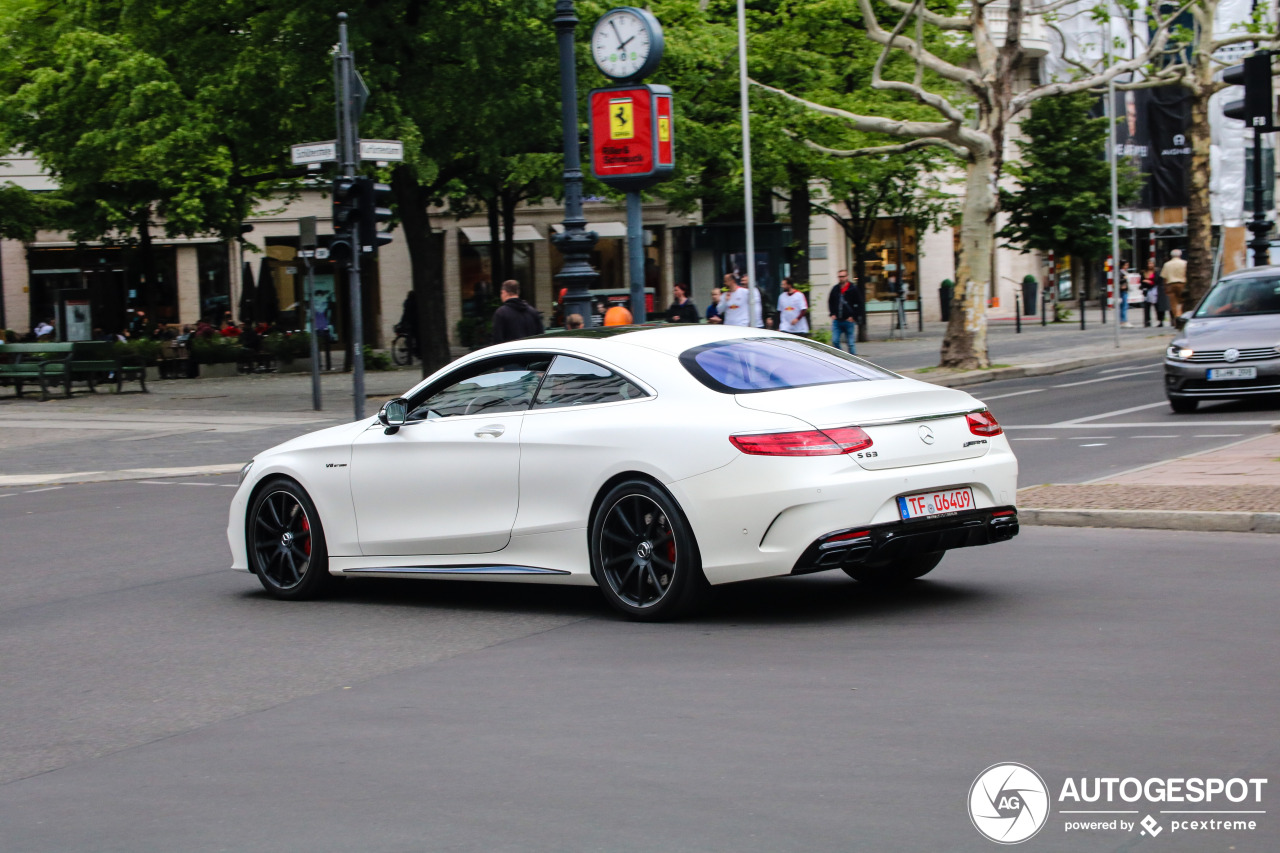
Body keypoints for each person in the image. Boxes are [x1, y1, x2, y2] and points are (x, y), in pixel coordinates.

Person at [491, 279, 543, 344]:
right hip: (531, 352)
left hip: (512, 352)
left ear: (504, 292)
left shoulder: (501, 313)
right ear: (518, 292)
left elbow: (497, 340)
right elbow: (541, 336)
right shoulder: (533, 311)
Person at [827, 269, 864, 354]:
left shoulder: (853, 288)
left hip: (848, 320)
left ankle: (853, 360)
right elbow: (830, 301)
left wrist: (854, 316)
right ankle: (842, 357)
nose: (841, 278)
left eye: (843, 276)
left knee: (851, 343)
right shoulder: (835, 289)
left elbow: (860, 303)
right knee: (835, 341)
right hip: (837, 320)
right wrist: (832, 313)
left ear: (847, 277)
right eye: (839, 276)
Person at [1160, 249, 1187, 317]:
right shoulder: (1184, 263)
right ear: (1180, 255)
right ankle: (1182, 314)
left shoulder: (1167, 264)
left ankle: (1177, 317)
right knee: (1183, 301)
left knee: (1173, 303)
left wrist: (1165, 287)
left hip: (1171, 285)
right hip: (1182, 284)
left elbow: (1164, 277)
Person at [1117, 260, 1131, 327]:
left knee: (1124, 306)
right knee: (1124, 306)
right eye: (1126, 265)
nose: (1127, 266)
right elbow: (1118, 280)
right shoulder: (1120, 273)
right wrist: (1123, 281)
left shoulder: (1124, 272)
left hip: (1125, 290)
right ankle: (1124, 321)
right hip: (1123, 290)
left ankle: (1122, 320)